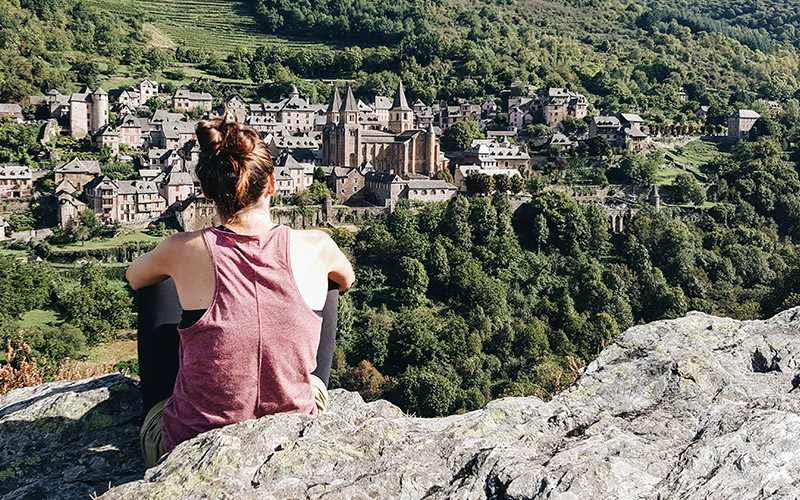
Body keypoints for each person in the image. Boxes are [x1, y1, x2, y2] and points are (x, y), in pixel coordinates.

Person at [126, 113, 355, 467]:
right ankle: (308, 395)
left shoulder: (182, 248)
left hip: (190, 449)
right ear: (272, 185)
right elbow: (348, 279)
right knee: (328, 283)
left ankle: (166, 404)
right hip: (291, 439)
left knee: (158, 284)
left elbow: (134, 277)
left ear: (206, 192)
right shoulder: (317, 245)